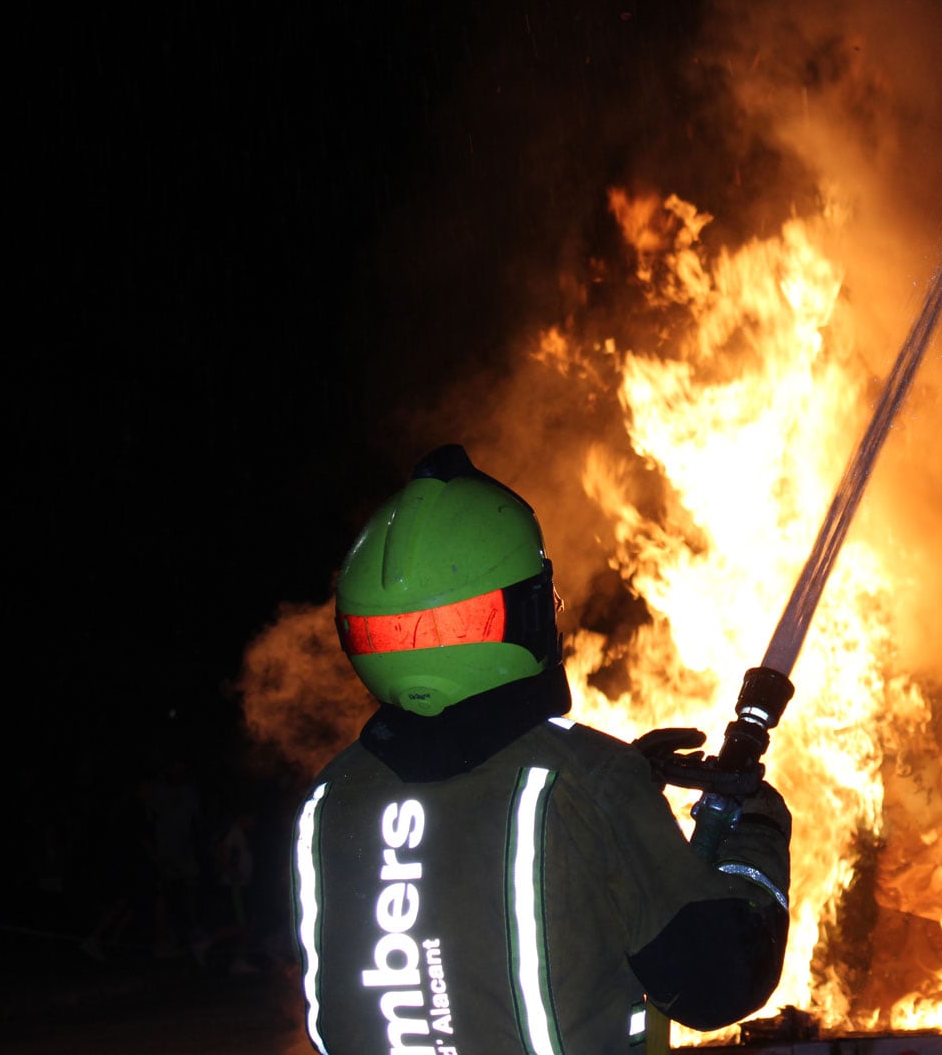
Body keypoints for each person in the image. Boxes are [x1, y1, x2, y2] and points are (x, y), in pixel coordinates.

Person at [290, 445, 791, 1055]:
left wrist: (625, 782)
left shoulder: (331, 797)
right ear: (522, 617)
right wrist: (755, 829)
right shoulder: (584, 784)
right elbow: (719, 984)